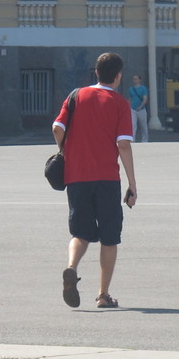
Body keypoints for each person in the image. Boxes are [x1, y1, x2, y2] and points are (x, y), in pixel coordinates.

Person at [52, 52, 137, 310]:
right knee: (110, 238)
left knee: (80, 232)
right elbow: (123, 145)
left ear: (96, 73)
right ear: (119, 76)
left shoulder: (76, 96)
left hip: (76, 177)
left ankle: (71, 268)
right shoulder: (120, 103)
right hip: (107, 179)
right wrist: (132, 184)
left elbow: (57, 128)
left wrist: (65, 150)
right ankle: (103, 295)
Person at [127, 74, 149, 142]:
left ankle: (145, 140)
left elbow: (145, 99)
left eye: (136, 79)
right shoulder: (131, 89)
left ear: (140, 80)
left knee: (143, 126)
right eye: (134, 79)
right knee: (133, 126)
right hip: (133, 109)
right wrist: (128, 106)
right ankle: (133, 140)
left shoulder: (143, 88)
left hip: (141, 110)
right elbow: (130, 98)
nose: (135, 80)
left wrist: (140, 106)